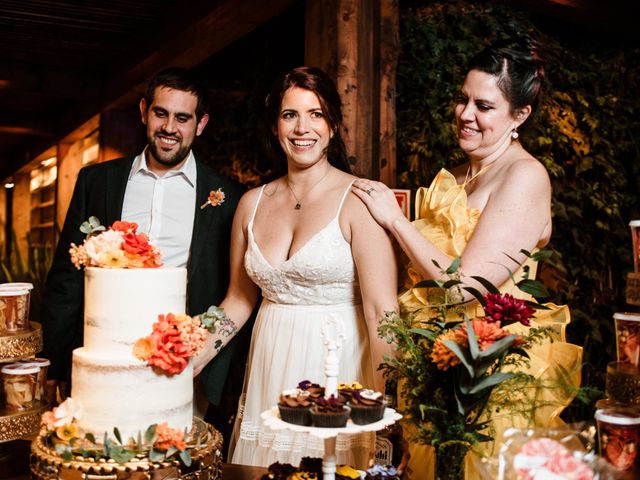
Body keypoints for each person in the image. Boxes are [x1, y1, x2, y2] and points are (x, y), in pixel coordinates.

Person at [352, 37, 583, 478]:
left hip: (487, 375)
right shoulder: (458, 176)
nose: (465, 115)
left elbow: (466, 288)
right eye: (463, 100)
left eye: (484, 105)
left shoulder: (525, 175)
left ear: (520, 115)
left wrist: (396, 221)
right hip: (434, 366)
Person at [193, 66, 398, 467]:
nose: (302, 127)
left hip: (338, 371)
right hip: (270, 364)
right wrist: (192, 358)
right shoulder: (250, 205)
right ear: (275, 126)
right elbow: (237, 300)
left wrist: (387, 407)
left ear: (333, 124)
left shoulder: (361, 201)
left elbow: (381, 312)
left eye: (316, 114)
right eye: (290, 115)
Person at [40, 67, 249, 454]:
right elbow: (67, 281)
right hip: (106, 362)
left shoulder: (229, 196)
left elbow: (233, 288)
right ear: (143, 111)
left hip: (184, 371)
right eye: (161, 113)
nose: (169, 127)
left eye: (183, 118)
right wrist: (54, 366)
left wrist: (212, 370)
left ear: (200, 124)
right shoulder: (96, 181)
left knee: (176, 467)